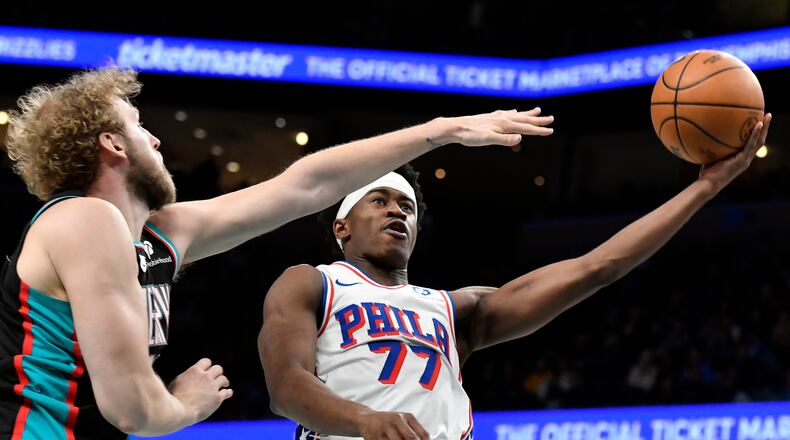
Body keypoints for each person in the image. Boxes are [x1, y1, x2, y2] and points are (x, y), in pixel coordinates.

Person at [0, 67, 554, 439]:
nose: (159, 141)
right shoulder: (84, 217)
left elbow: (304, 187)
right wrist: (187, 403)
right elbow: (134, 409)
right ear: (113, 145)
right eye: (142, 129)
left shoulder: (161, 234)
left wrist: (441, 130)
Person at [258, 116, 772, 440]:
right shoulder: (311, 282)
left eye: (408, 206)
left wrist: (704, 190)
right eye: (380, 200)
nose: (398, 212)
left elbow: (598, 267)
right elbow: (285, 386)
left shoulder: (457, 310)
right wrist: (364, 421)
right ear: (341, 225)